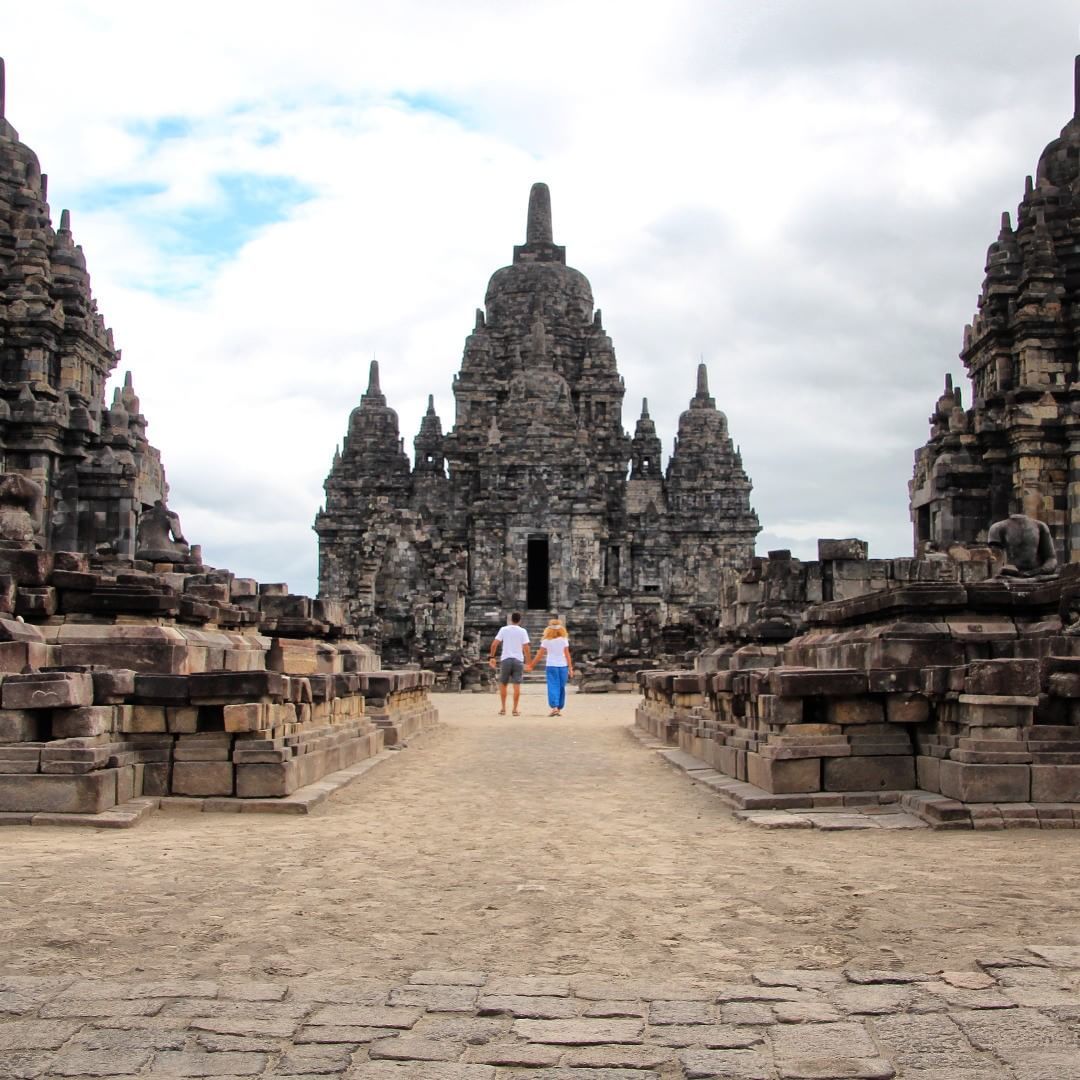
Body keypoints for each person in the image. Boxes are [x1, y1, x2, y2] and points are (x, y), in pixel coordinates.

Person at [526, 622, 574, 716]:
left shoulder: (546, 641)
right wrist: (570, 668)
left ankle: (555, 707)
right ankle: (559, 707)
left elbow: (539, 655)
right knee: (561, 687)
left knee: (553, 686)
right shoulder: (564, 640)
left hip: (551, 665)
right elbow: (567, 654)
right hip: (563, 666)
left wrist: (532, 665)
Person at [488, 612, 531, 716]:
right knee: (516, 685)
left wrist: (492, 657)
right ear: (520, 621)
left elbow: (494, 645)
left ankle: (503, 709)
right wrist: (528, 662)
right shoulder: (523, 631)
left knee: (503, 684)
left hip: (506, 659)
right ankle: (515, 710)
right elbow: (526, 648)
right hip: (518, 660)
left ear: (511, 620)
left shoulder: (504, 629)